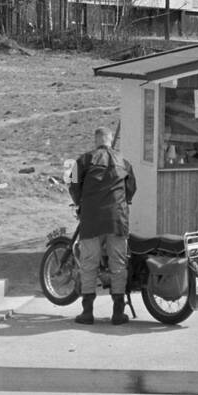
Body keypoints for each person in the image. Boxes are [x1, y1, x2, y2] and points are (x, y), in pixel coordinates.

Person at [69, 126, 137, 324]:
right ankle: (118, 312)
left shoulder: (82, 160)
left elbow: (72, 183)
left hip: (91, 220)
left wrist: (79, 201)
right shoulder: (124, 162)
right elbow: (132, 188)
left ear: (96, 141)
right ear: (109, 141)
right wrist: (125, 201)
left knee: (89, 264)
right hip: (117, 219)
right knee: (118, 265)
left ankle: (87, 312)